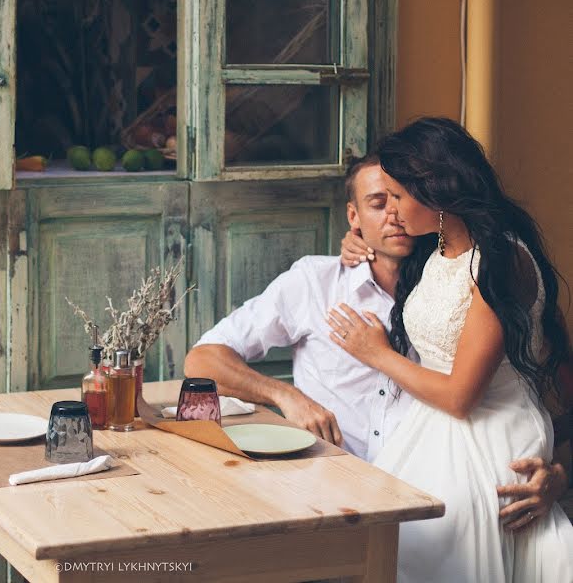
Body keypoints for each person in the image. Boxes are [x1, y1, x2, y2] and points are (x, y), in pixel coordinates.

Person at [183, 151, 569, 536]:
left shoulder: (458, 281)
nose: (394, 214)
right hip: (326, 495)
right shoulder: (315, 283)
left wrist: (557, 472)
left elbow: (537, 384)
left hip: (438, 496)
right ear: (353, 217)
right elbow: (202, 361)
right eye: (377, 202)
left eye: (401, 198)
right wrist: (286, 397)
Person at [326, 117, 573, 581]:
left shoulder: (501, 261)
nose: (393, 210)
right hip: (429, 433)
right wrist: (355, 241)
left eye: (399, 196)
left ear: (436, 192)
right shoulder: (438, 249)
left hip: (486, 437)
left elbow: (462, 398)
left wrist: (377, 352)